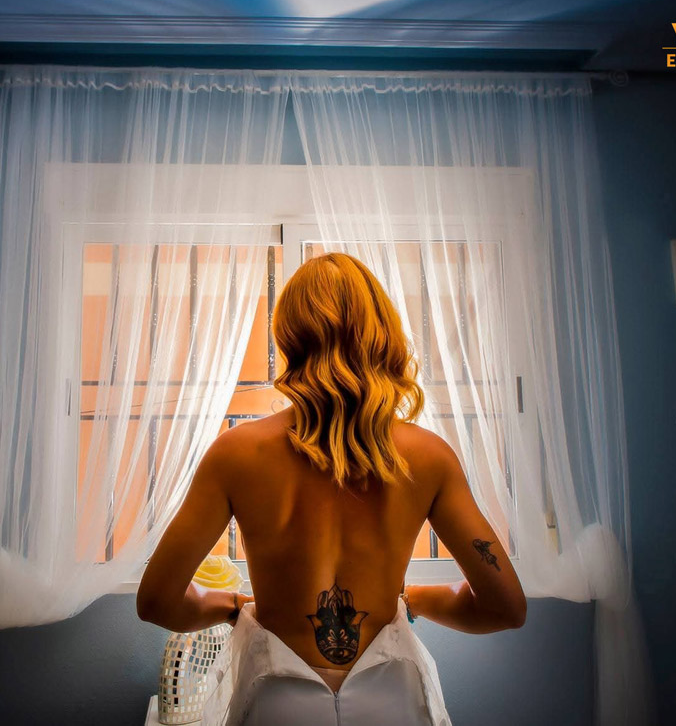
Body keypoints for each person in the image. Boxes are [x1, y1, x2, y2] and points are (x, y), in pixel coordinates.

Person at [137, 252, 526, 726]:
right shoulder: (428, 456)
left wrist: (232, 605)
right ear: (380, 332)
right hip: (390, 701)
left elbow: (157, 602)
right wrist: (414, 600)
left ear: (289, 338)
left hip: (280, 704)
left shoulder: (237, 453)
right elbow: (505, 607)